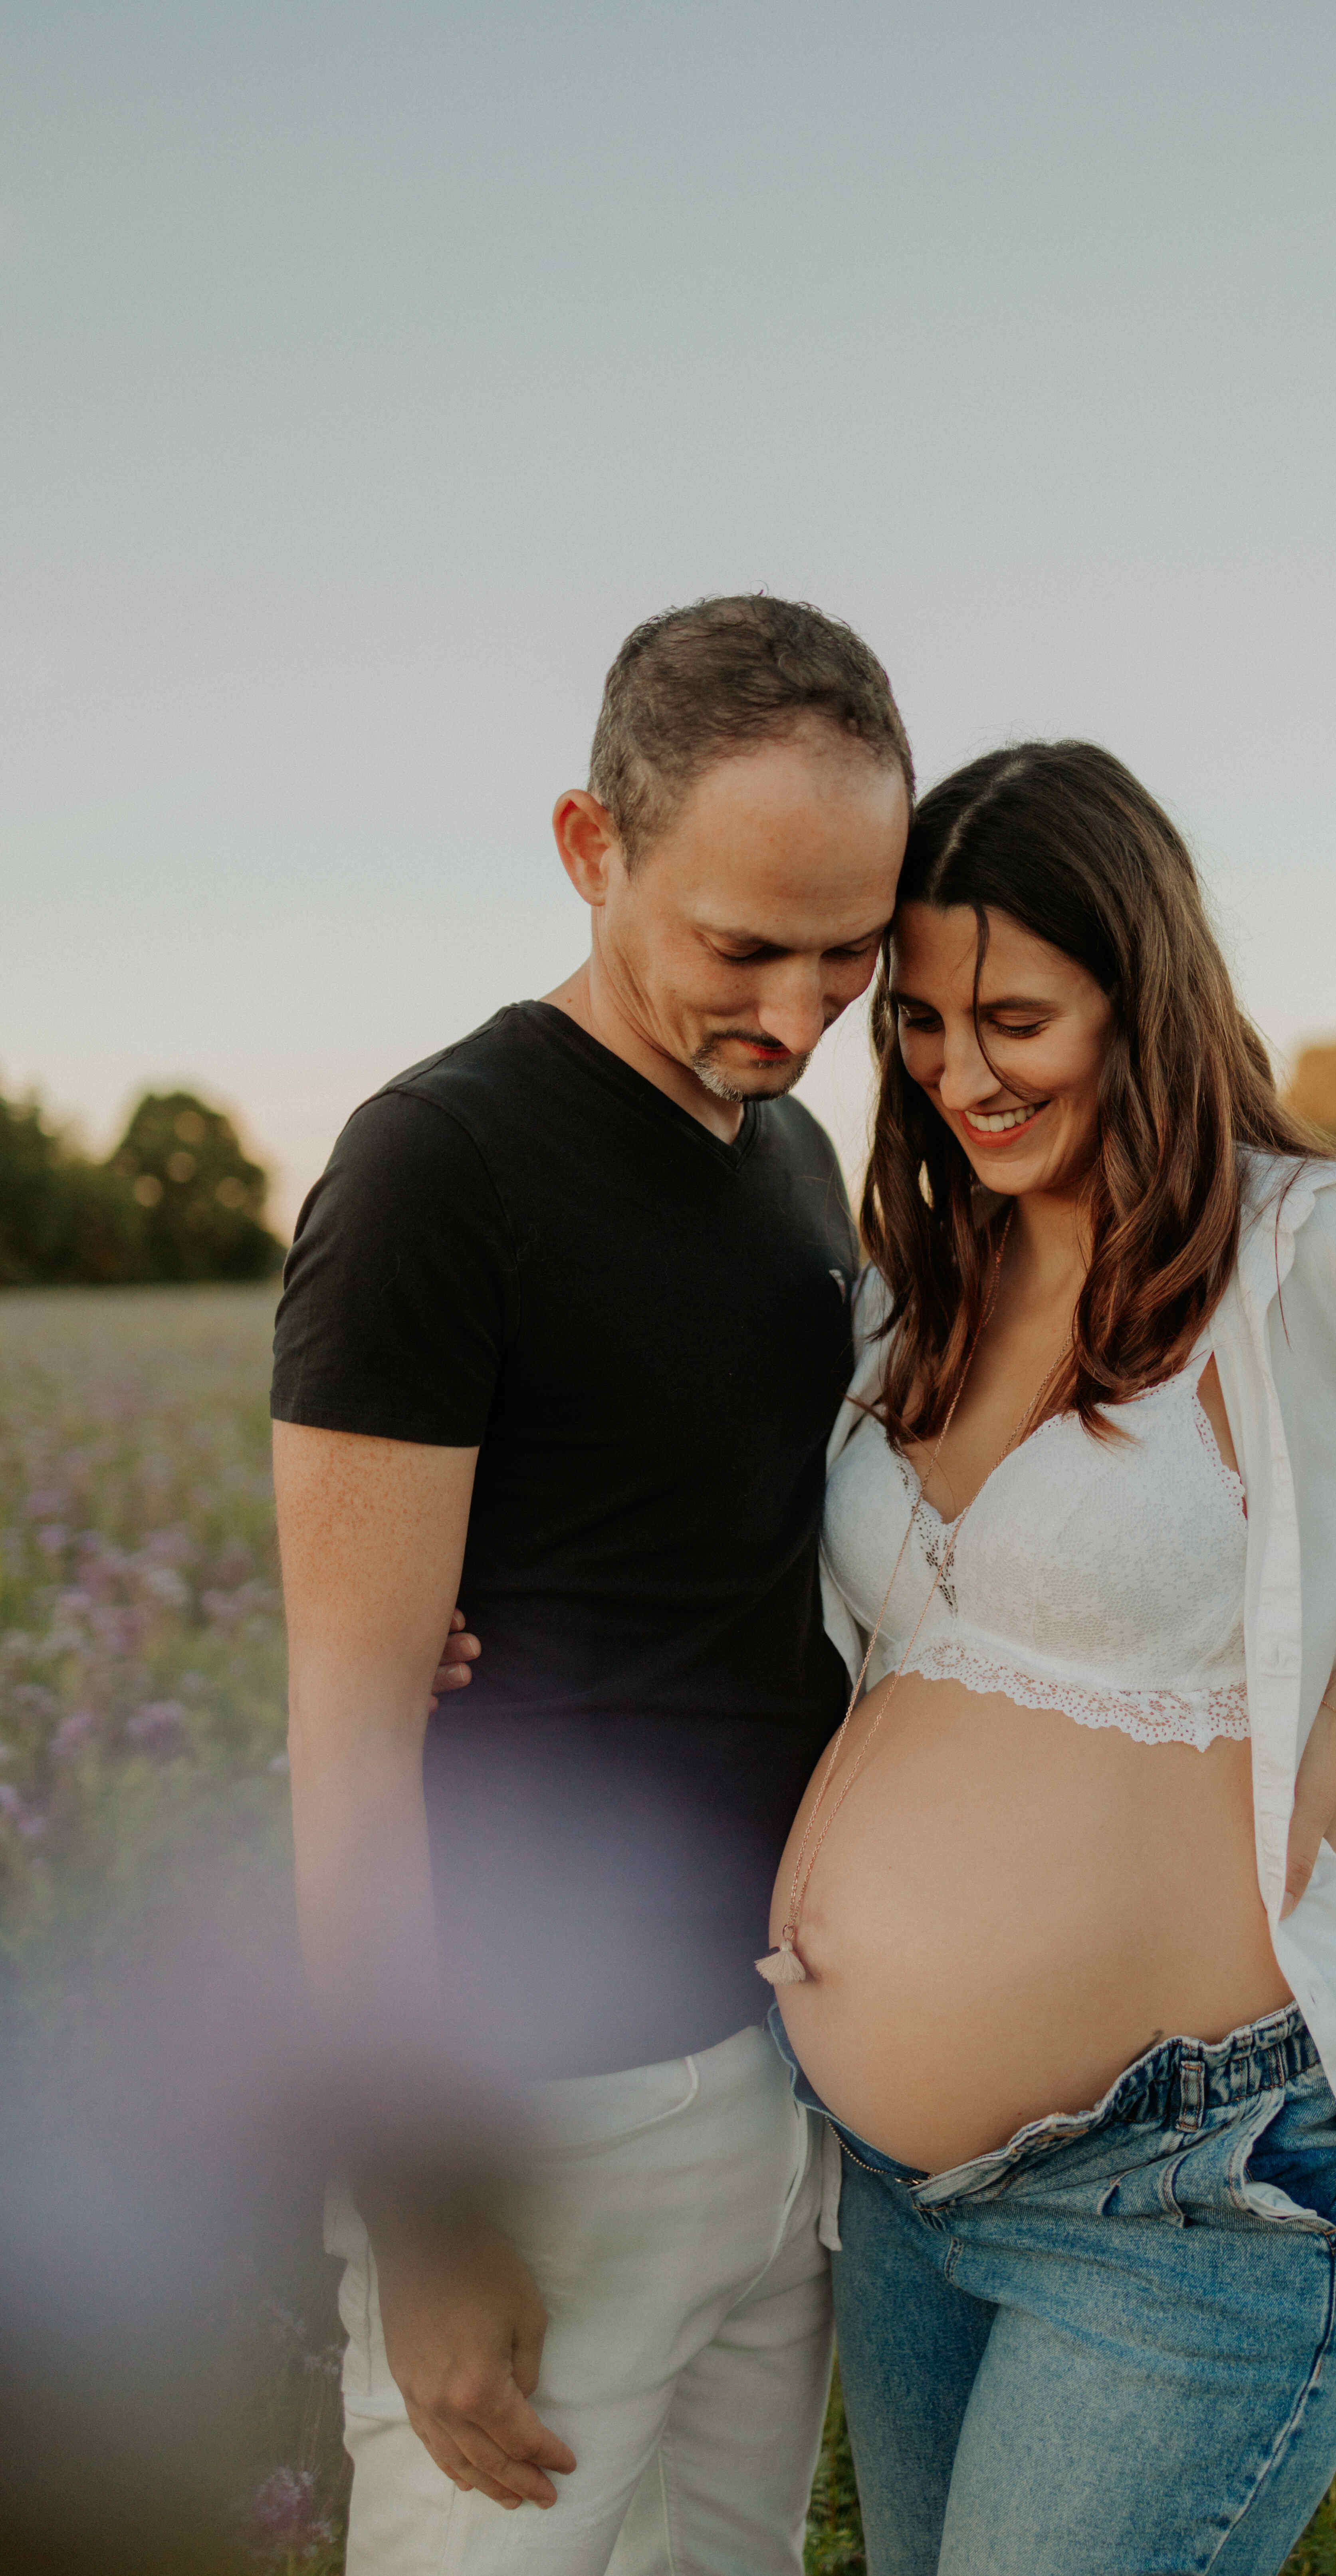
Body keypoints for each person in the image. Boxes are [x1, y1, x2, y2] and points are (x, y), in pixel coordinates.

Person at [740, 741, 1336, 2573]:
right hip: (891, 2193)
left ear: (1146, 994)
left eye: (1015, 1017)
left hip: (1178, 2203)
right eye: (925, 1024)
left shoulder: (1328, 1256)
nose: (959, 1074)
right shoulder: (921, 1275)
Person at [270, 595, 912, 2576]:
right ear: (589, 845)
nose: (799, 1010)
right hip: (535, 2109)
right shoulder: (437, 1165)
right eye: (740, 944)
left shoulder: (793, 1154)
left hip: (781, 2087)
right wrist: (426, 2206)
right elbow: (352, 1736)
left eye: (848, 950)